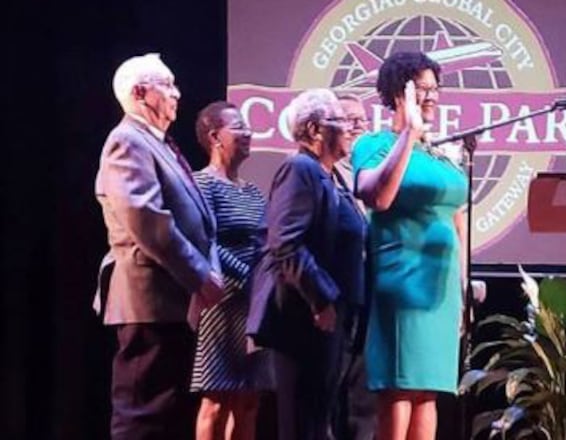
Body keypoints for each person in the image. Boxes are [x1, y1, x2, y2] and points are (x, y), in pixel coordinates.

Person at [94, 53, 224, 440]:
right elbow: (147, 220)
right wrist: (201, 275)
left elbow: (199, 220)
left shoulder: (159, 143)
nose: (177, 93)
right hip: (149, 300)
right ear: (140, 94)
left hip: (174, 301)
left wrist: (208, 269)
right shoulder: (126, 141)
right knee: (144, 415)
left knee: (169, 413)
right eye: (166, 85)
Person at [351, 51, 468, 440]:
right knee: (399, 391)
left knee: (428, 393)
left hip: (442, 289)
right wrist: (409, 134)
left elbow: (455, 217)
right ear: (397, 94)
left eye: (435, 89)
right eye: (422, 89)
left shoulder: (441, 153)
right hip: (401, 282)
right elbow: (378, 196)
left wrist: (463, 289)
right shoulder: (374, 144)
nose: (432, 96)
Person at [247, 88, 366, 440]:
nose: (349, 129)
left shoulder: (330, 175)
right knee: (302, 420)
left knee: (319, 417)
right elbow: (285, 242)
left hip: (331, 319)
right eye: (341, 121)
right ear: (315, 130)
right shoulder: (299, 169)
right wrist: (321, 299)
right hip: (304, 317)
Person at [189, 101, 268, 440]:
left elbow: (265, 244)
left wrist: (265, 284)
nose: (248, 132)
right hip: (221, 304)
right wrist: (249, 278)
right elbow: (207, 242)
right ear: (214, 136)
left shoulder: (252, 191)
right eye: (238, 127)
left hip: (255, 307)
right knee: (218, 399)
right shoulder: (201, 184)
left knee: (249, 400)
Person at [333, 93, 378, 440]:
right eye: (350, 120)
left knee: (364, 394)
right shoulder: (318, 171)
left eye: (363, 120)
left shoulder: (374, 172)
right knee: (333, 388)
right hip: (335, 295)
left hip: (372, 292)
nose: (359, 126)